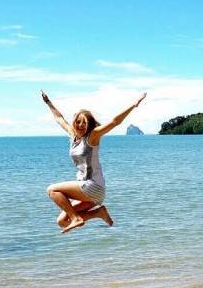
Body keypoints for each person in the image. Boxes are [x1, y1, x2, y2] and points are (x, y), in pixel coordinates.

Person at [41, 90, 147, 233]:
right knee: (61, 221)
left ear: (89, 125)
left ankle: (76, 219)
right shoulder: (72, 135)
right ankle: (99, 213)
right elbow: (59, 118)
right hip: (89, 191)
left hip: (92, 186)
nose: (80, 125)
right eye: (78, 122)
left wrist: (134, 105)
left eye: (84, 123)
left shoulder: (93, 137)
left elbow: (115, 122)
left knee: (52, 189)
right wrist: (48, 102)